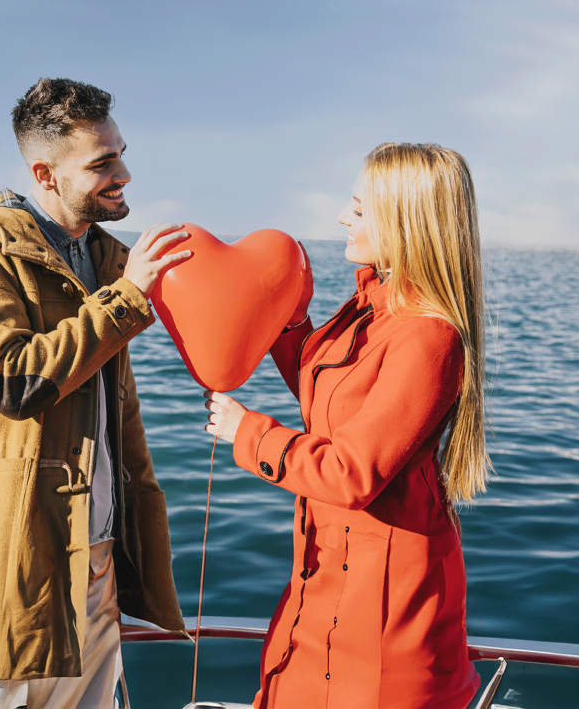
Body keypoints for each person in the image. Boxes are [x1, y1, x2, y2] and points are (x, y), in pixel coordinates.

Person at [0, 78, 190, 709]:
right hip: (13, 562)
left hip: (97, 560)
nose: (123, 172)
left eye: (121, 153)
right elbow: (11, 381)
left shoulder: (108, 256)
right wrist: (129, 296)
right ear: (44, 172)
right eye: (102, 163)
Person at [203, 142, 488, 709]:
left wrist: (249, 433)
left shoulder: (428, 334)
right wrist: (287, 321)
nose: (342, 218)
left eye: (358, 209)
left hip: (385, 600)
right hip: (326, 567)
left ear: (405, 219)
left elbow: (353, 473)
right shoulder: (370, 307)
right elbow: (331, 400)